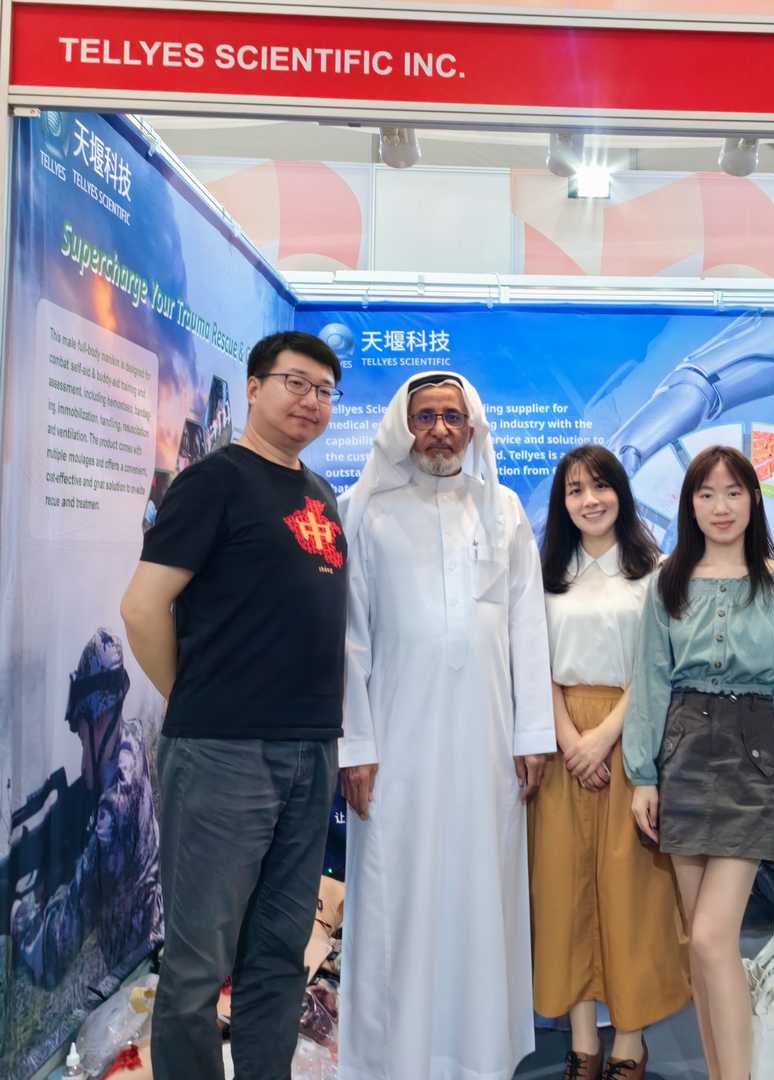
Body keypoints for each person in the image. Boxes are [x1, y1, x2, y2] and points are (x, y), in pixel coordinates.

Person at [121, 331, 347, 1080]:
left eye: (324, 391)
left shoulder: (320, 495)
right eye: (295, 383)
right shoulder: (212, 482)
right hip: (223, 753)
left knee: (279, 951)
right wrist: (194, 701)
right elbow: (142, 607)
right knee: (197, 962)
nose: (310, 401)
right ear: (253, 388)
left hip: (310, 751)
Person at [337, 371, 555, 1080]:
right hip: (395, 743)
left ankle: (477, 1055)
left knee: (480, 891)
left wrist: (532, 736)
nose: (438, 430)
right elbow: (350, 639)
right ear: (403, 428)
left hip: (488, 744)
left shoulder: (504, 510)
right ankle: (393, 1058)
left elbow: (527, 627)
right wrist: (356, 745)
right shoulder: (365, 511)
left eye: (451, 417)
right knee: (395, 890)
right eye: (424, 416)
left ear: (472, 428)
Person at [624, 445, 774, 1080]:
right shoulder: (669, 580)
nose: (721, 506)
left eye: (733, 491)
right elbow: (651, 680)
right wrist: (643, 776)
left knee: (713, 938)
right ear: (690, 505)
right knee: (700, 946)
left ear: (753, 499)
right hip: (681, 754)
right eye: (706, 494)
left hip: (751, 758)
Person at [530, 445, 690, 1080]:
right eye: (575, 490)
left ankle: (629, 1042)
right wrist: (569, 737)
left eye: (600, 486)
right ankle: (581, 1044)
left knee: (632, 896)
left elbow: (657, 668)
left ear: (621, 493)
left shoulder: (655, 572)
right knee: (562, 891)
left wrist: (602, 739)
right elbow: (532, 660)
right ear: (562, 503)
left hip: (632, 735)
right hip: (559, 740)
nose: (589, 500)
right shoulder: (545, 574)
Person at [7, 629, 162, 990]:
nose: (81, 758)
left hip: (139, 979)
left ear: (99, 719)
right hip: (155, 946)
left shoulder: (114, 814)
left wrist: (16, 913)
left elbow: (50, 957)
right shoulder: (133, 739)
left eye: (81, 735)